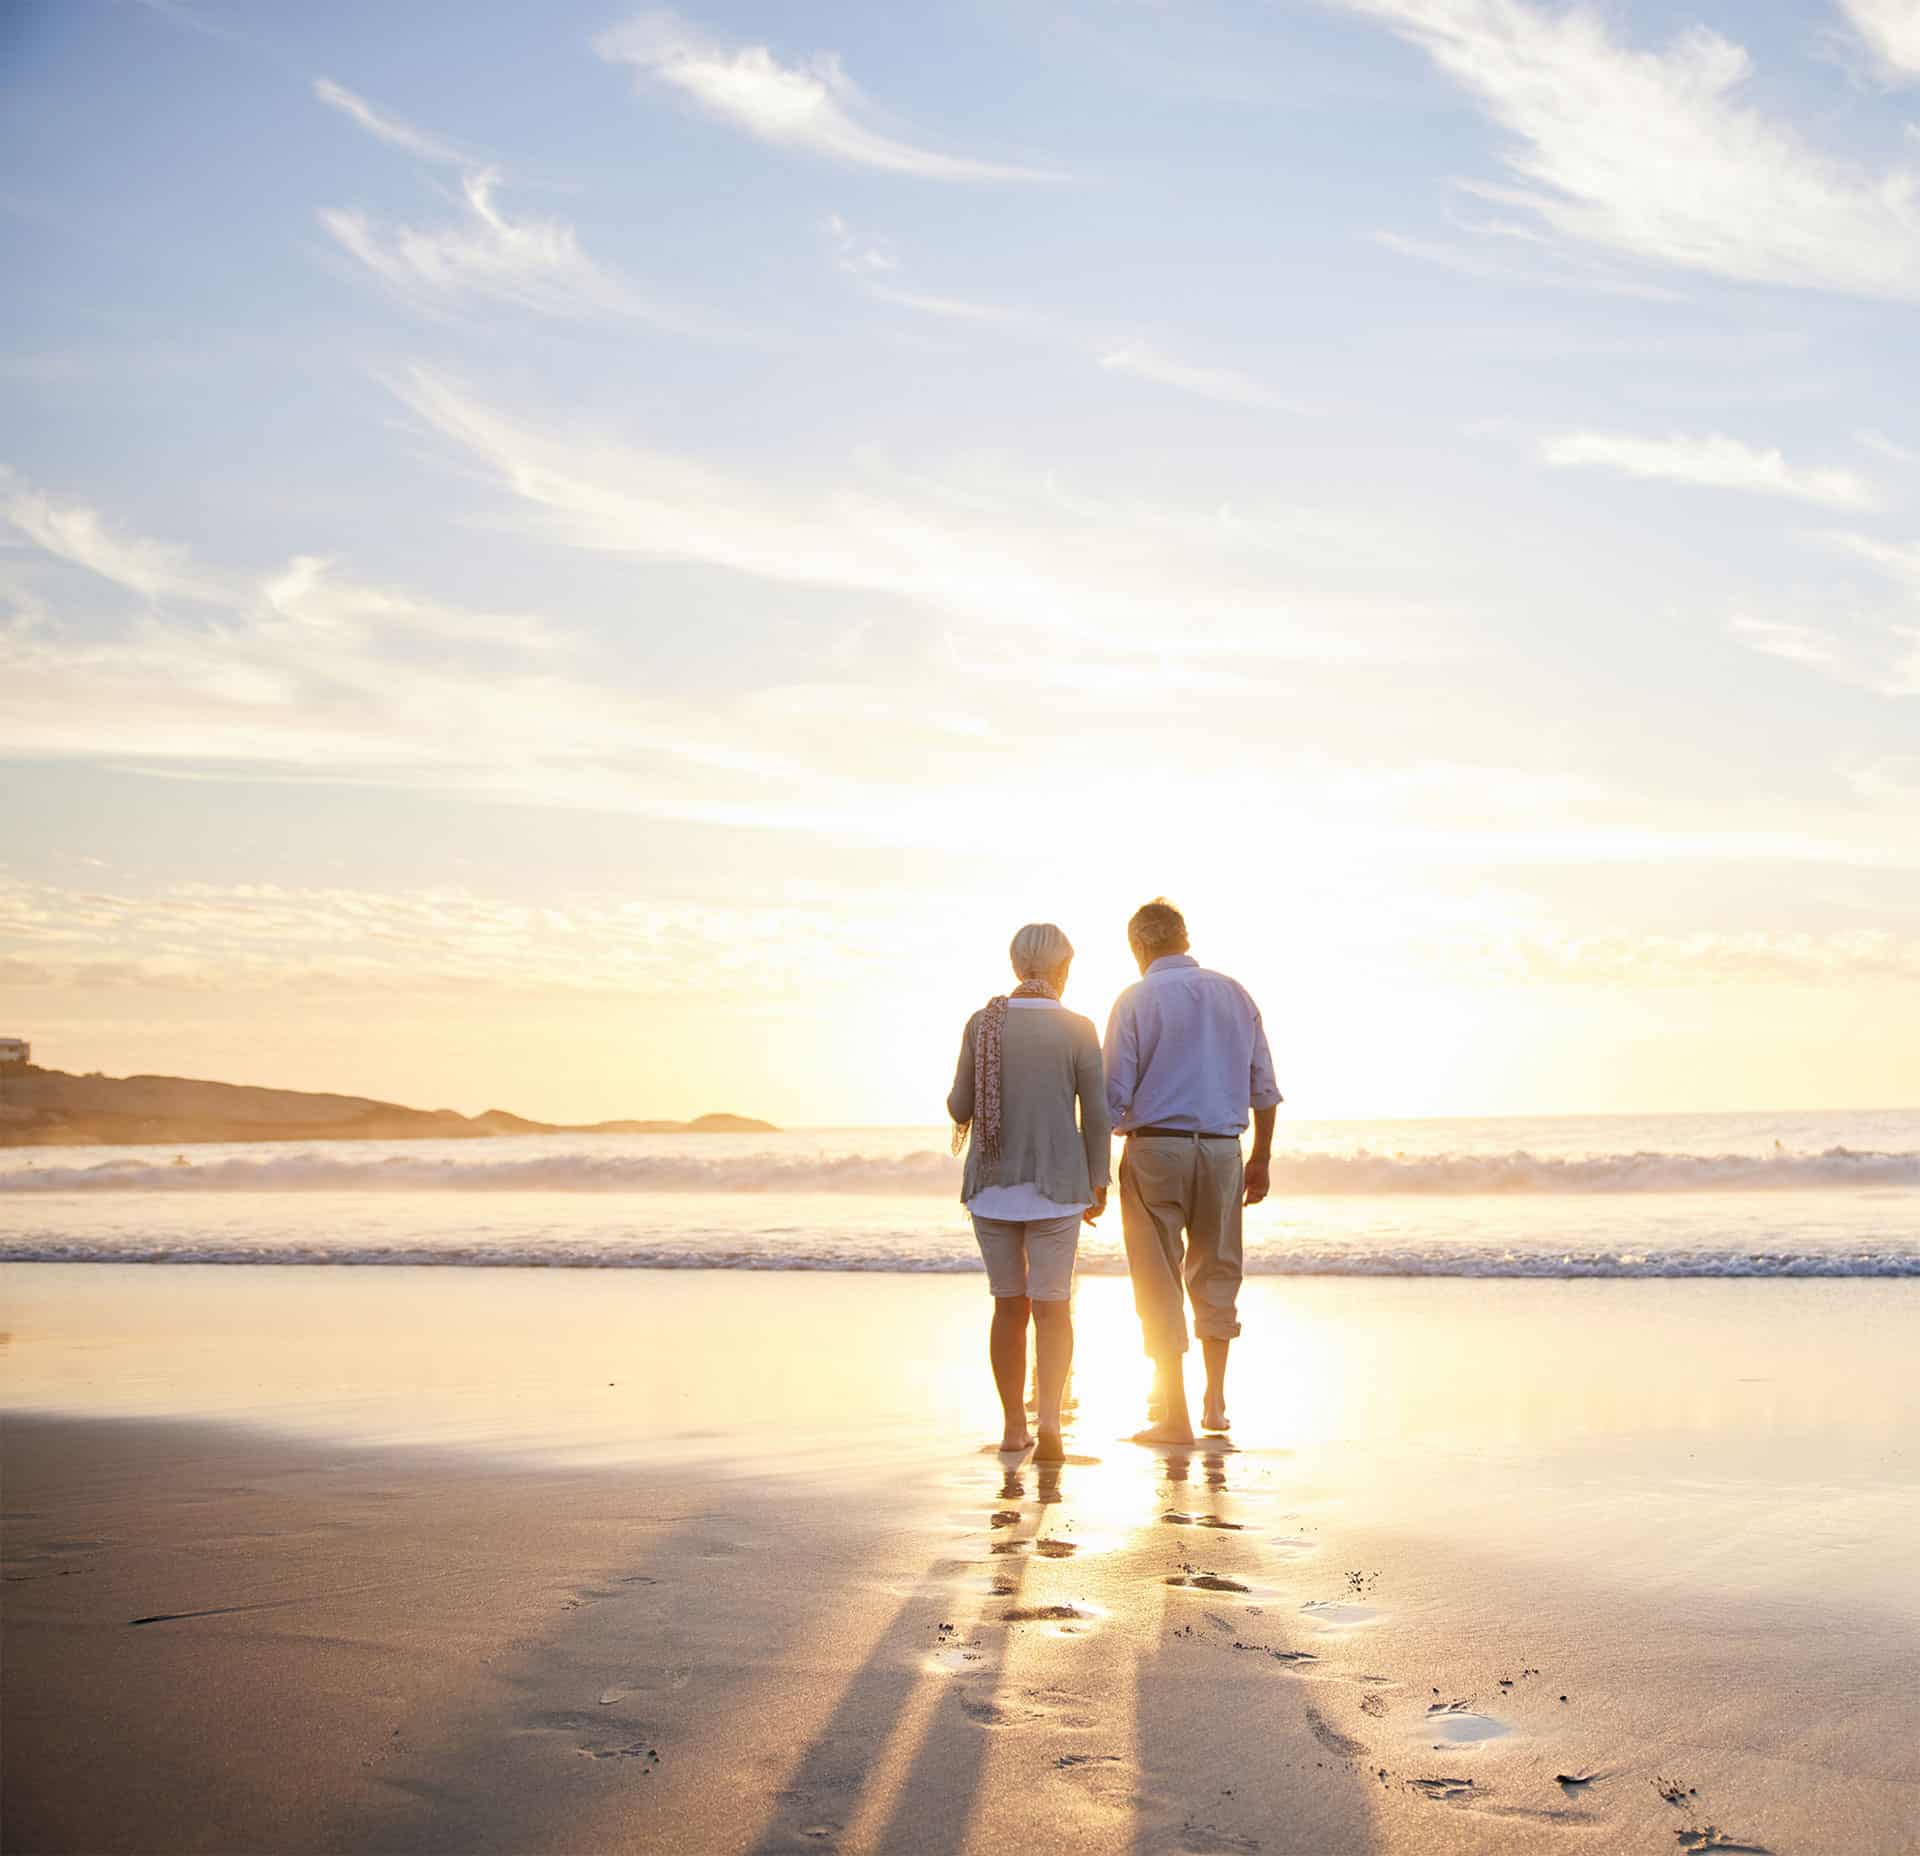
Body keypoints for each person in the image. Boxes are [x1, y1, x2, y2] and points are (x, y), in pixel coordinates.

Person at [1104, 898, 1281, 1445]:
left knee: (1158, 1279)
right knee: (1218, 1269)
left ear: (1138, 947)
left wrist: (1087, 1163)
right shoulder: (1234, 993)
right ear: (1184, 937)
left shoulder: (1134, 999)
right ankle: (1215, 1401)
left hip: (1156, 1149)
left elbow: (1114, 1095)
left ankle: (1175, 1414)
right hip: (1224, 1149)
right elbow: (1264, 1086)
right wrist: (1261, 1158)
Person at [948, 922, 1110, 1463]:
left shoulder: (982, 1023)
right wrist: (1099, 1180)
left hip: (992, 1188)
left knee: (1007, 1307)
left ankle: (1014, 1428)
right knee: (1054, 1307)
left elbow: (959, 1106)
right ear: (1063, 968)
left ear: (1017, 966)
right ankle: (1051, 1426)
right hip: (1059, 1187)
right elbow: (1097, 1115)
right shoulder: (1079, 1028)